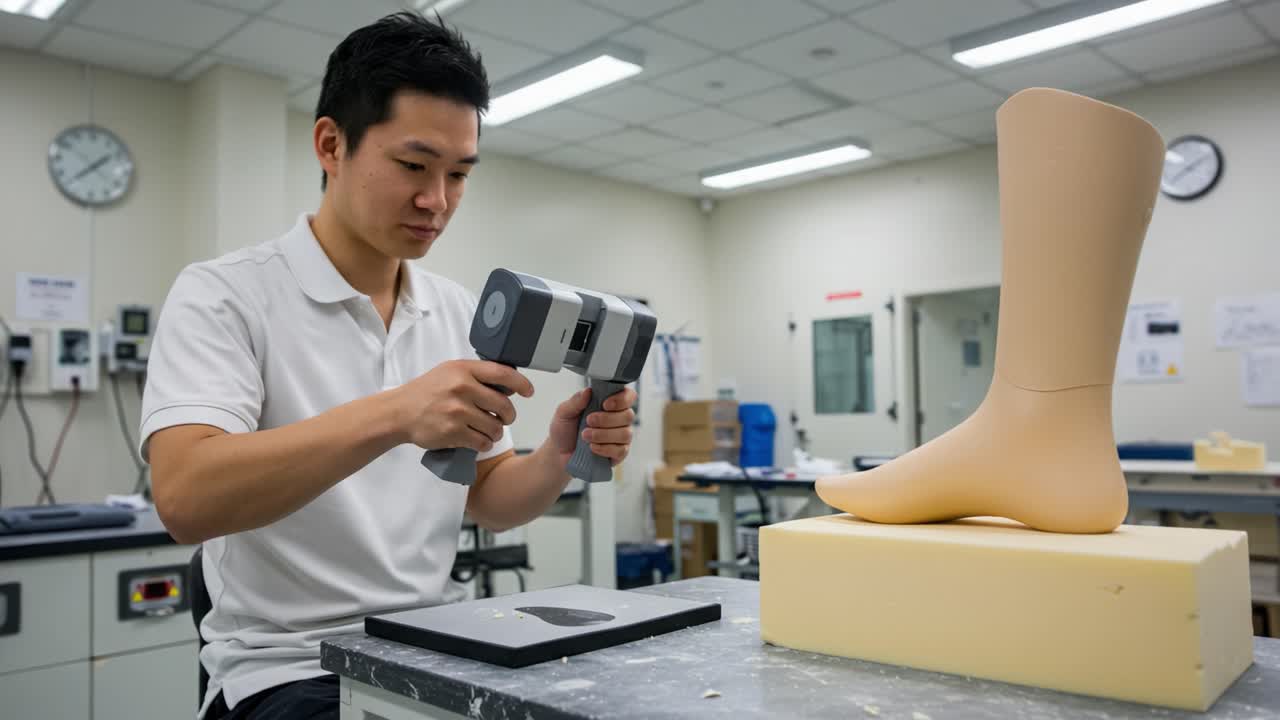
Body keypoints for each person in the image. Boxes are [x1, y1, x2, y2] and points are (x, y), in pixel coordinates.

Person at [141, 12, 638, 720]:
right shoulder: (226, 294)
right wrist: (399, 414)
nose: (437, 201)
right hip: (290, 667)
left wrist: (560, 453)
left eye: (458, 174)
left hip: (435, 646)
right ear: (331, 145)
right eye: (413, 166)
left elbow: (488, 497)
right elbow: (186, 498)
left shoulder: (455, 309)